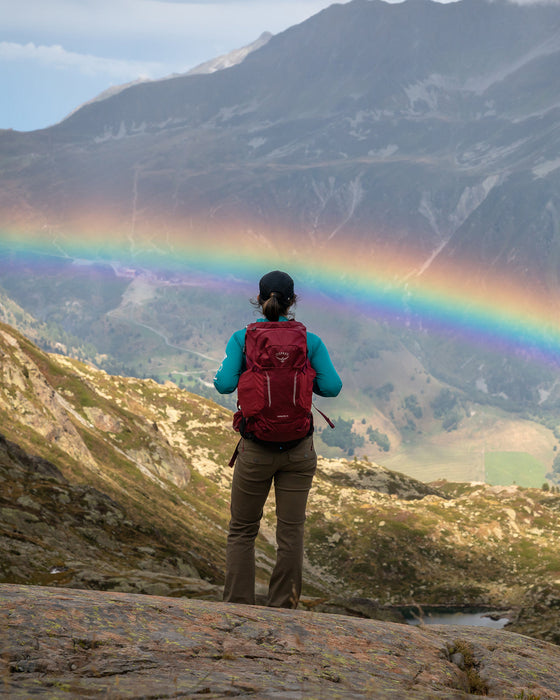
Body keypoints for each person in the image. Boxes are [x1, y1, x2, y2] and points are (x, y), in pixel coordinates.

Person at [214, 270, 342, 608]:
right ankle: (284, 608)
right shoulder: (309, 341)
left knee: (242, 530)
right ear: (293, 300)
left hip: (256, 448)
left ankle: (239, 608)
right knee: (291, 533)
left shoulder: (243, 339)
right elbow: (332, 387)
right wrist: (298, 380)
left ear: (259, 300)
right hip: (299, 451)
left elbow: (224, 384)